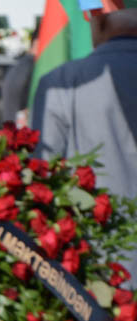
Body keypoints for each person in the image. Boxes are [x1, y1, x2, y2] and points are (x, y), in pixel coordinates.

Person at [32, 8, 137, 212]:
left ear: (97, 27)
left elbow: (44, 168)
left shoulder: (60, 81)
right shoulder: (63, 80)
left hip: (100, 232)